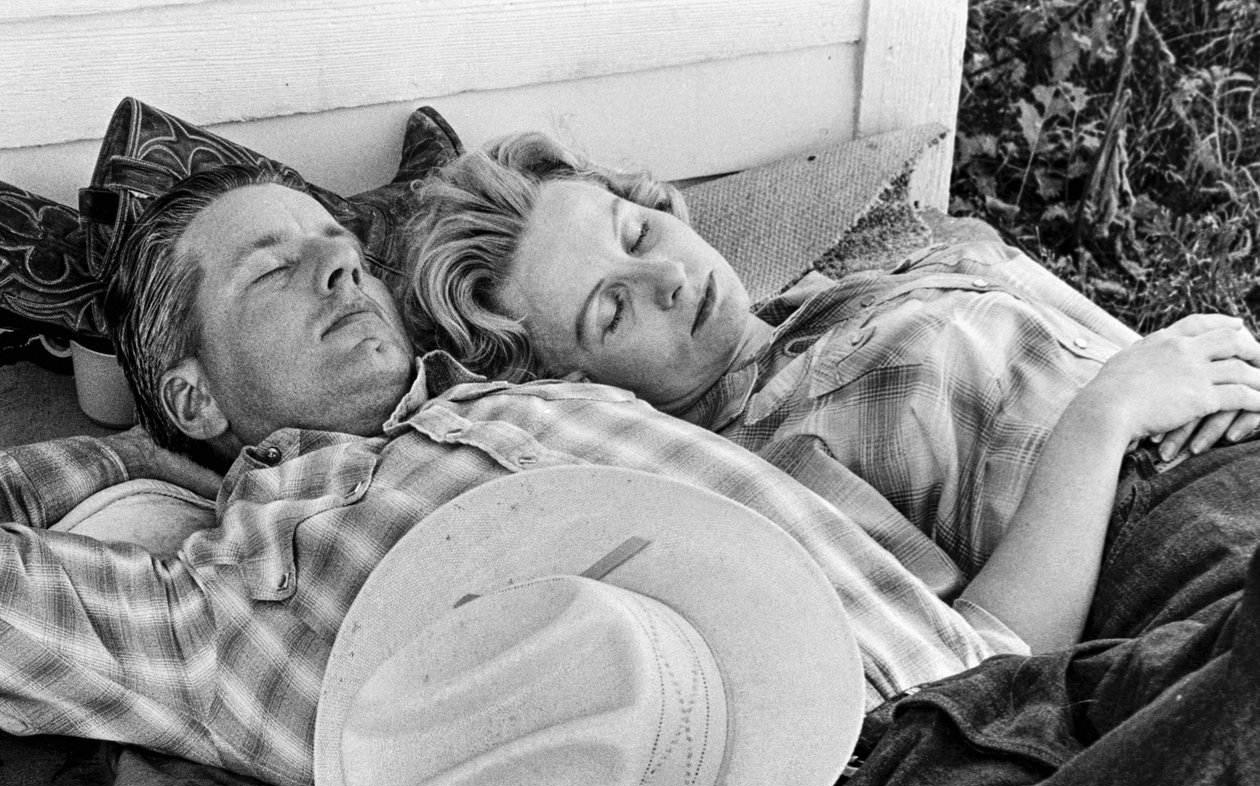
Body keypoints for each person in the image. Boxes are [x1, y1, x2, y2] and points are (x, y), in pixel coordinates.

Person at [2, 161, 1260, 786]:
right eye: (275, 270)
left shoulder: (536, 389)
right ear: (189, 392)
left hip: (1010, 705)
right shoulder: (226, 594)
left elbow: (611, 258)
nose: (339, 265)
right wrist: (112, 457)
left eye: (338, 242)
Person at [403, 132, 1260, 650]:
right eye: (612, 310)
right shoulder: (767, 468)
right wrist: (1106, 418)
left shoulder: (854, 284)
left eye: (635, 233)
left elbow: (1136, 353)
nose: (666, 278)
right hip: (1172, 555)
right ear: (580, 387)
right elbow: (991, 663)